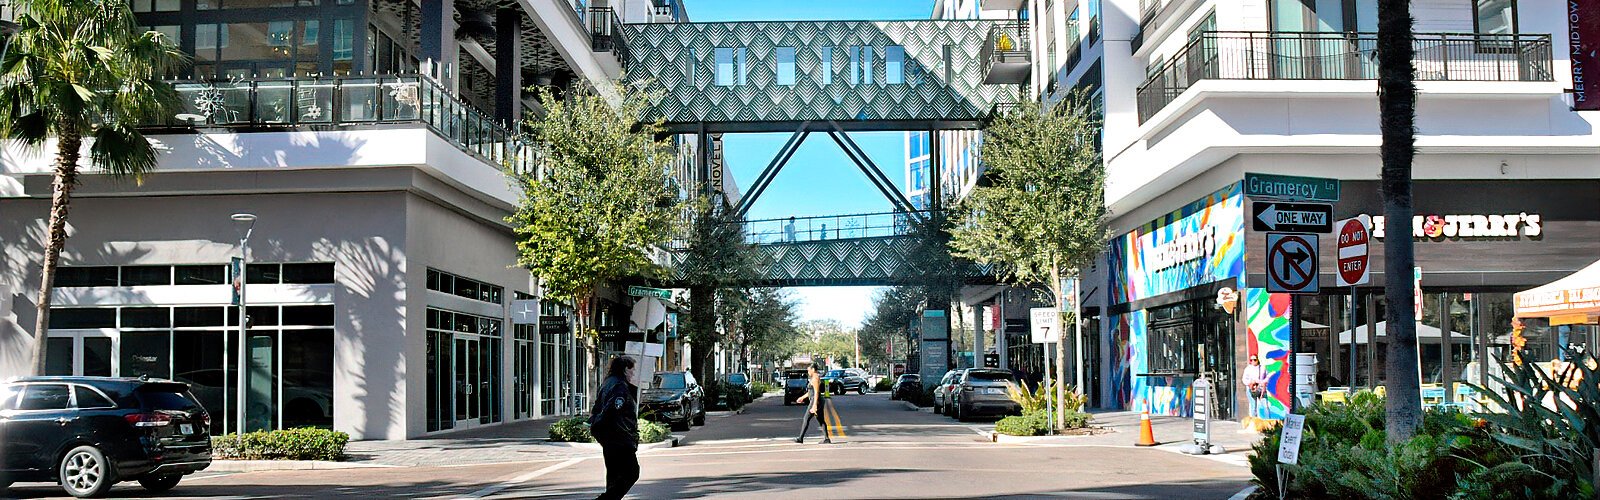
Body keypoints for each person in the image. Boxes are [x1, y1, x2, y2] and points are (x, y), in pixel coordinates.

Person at [590, 356, 639, 500]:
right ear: (625, 369)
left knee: (613, 474)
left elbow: (596, 408)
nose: (633, 373)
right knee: (632, 472)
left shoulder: (607, 383)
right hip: (619, 437)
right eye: (632, 370)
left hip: (608, 437)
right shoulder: (619, 386)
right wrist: (625, 433)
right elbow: (612, 410)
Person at [794, 364, 831, 444]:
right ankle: (826, 438)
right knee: (821, 420)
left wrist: (814, 405)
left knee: (806, 418)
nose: (808, 372)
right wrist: (802, 397)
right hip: (817, 400)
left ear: (813, 369)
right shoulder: (814, 378)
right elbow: (810, 392)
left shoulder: (815, 378)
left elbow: (817, 392)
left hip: (816, 401)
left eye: (809, 370)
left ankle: (800, 438)